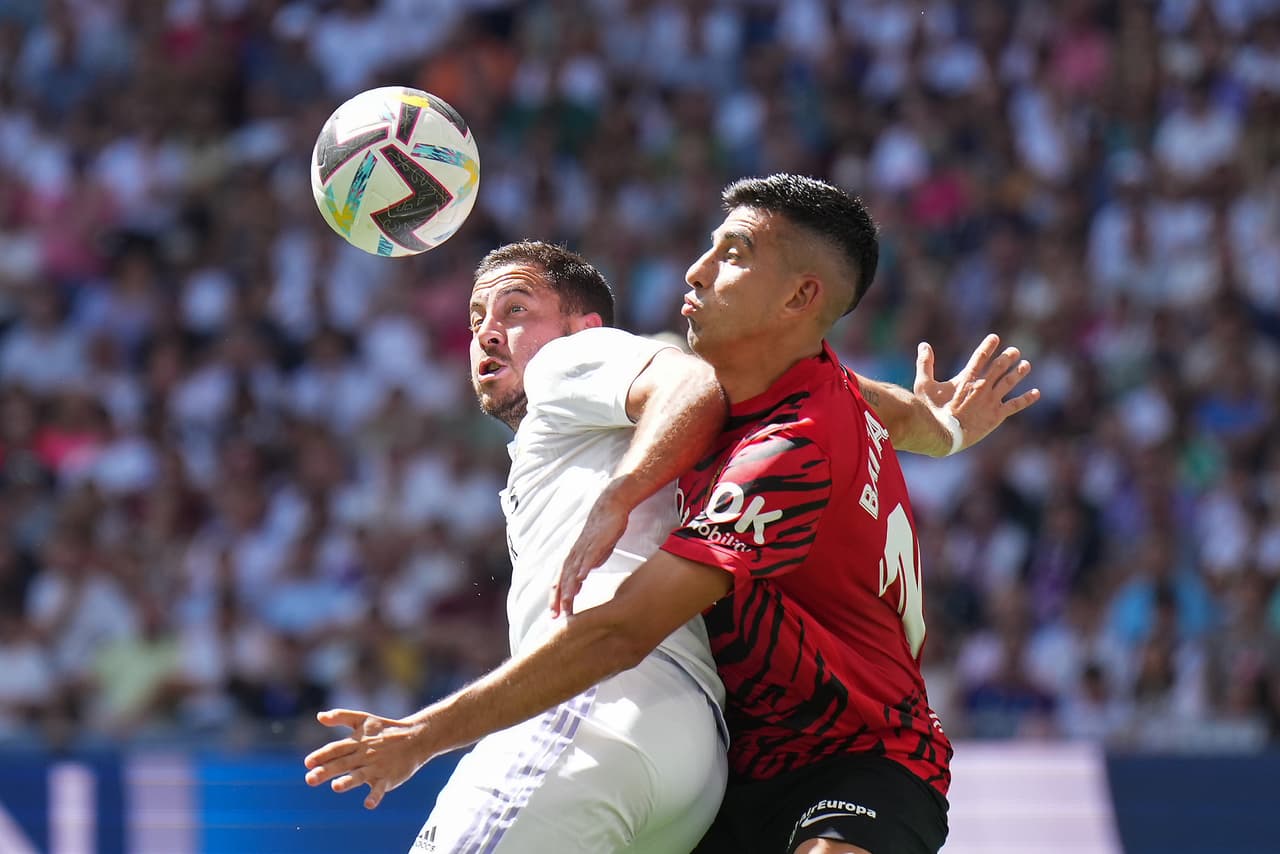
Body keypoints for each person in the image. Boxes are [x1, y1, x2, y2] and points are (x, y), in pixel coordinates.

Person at [303, 182, 1037, 852]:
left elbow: (623, 630)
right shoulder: (799, 384)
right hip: (730, 766)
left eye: (734, 254)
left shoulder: (777, 451)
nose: (695, 269)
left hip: (847, 751)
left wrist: (422, 735)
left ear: (797, 298)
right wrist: (942, 430)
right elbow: (868, 398)